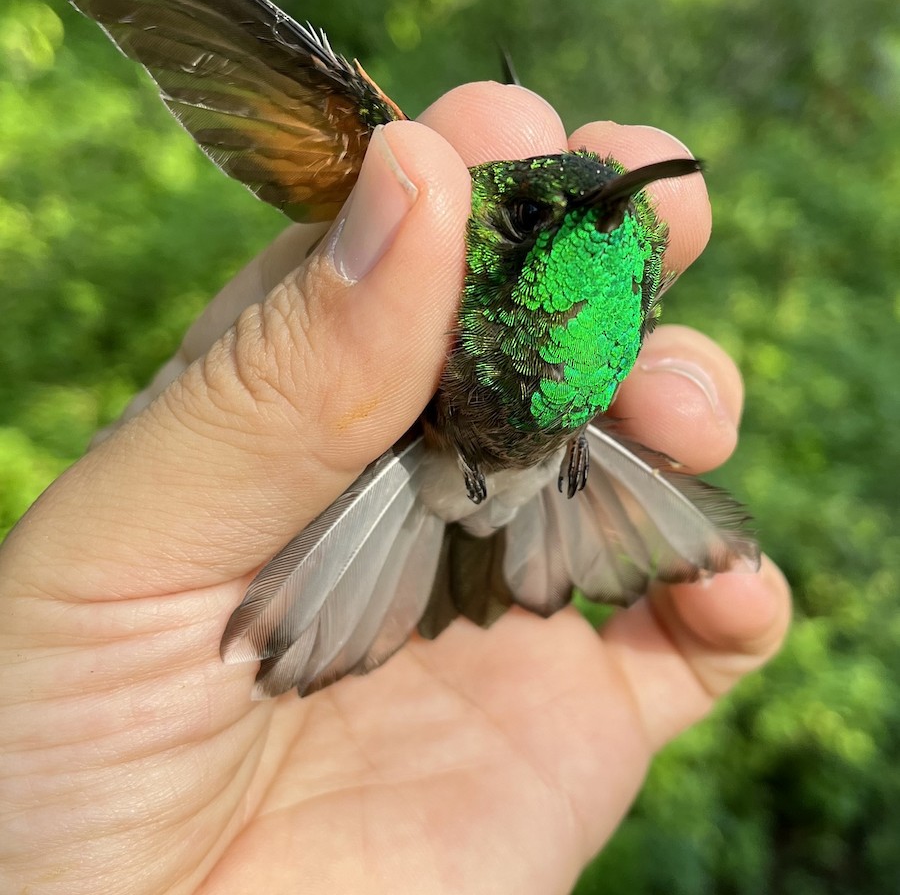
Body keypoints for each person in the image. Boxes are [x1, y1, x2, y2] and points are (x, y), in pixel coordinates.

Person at [0, 83, 790, 894]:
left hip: (562, 456)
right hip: (435, 452)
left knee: (669, 422)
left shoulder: (626, 263)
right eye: (530, 219)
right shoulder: (449, 247)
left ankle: (550, 465)